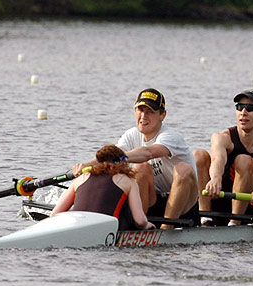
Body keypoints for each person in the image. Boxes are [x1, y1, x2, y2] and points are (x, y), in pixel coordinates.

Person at [75, 88, 199, 221]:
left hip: (184, 203)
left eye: (150, 112)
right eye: (140, 110)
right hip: (154, 199)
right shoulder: (131, 134)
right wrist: (86, 165)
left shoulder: (171, 136)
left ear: (162, 115)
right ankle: (139, 225)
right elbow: (111, 154)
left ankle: (167, 225)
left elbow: (149, 152)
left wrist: (121, 159)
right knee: (141, 169)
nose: (143, 116)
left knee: (182, 169)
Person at [195, 90, 253, 224]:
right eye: (239, 107)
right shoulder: (222, 137)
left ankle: (235, 222)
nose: (243, 112)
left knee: (243, 160)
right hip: (220, 197)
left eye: (250, 108)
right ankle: (205, 217)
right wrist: (215, 178)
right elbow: (217, 160)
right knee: (198, 155)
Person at [52, 144, 154, 230]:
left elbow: (54, 214)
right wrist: (149, 225)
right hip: (106, 231)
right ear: (122, 162)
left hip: (76, 228)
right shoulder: (128, 181)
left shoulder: (80, 178)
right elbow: (140, 221)